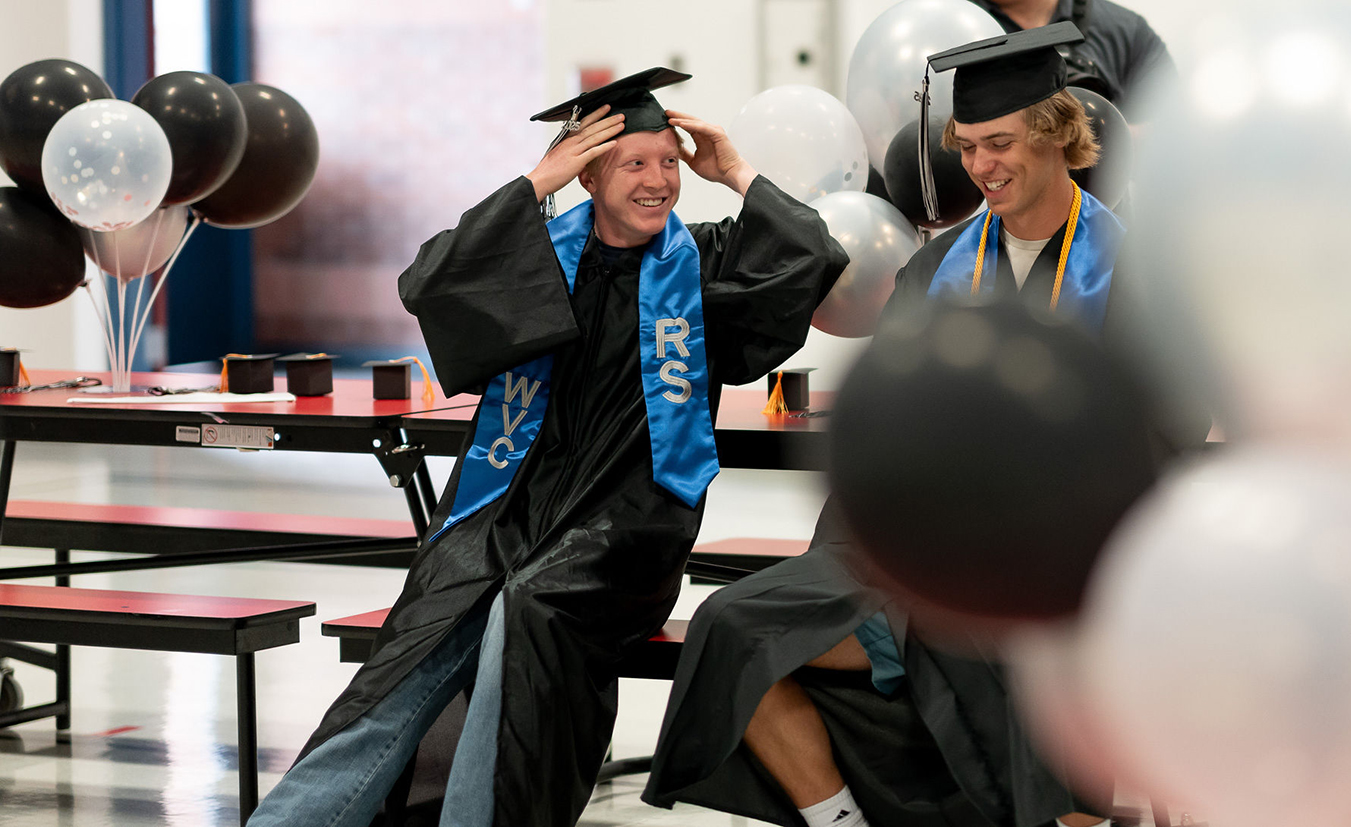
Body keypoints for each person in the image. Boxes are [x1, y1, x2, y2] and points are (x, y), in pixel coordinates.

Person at [245, 67, 847, 827]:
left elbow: (812, 255)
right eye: (634, 163)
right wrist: (536, 182)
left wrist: (732, 167)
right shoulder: (540, 256)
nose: (659, 180)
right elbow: (431, 278)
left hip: (627, 525)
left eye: (669, 162)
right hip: (503, 510)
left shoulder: (703, 264)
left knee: (527, 610)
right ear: (589, 172)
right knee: (412, 649)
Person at [645, 23, 1205, 827]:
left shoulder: (1135, 268)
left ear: (1056, 135)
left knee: (1005, 638)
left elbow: (1174, 427)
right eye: (969, 146)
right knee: (734, 625)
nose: (981, 166)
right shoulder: (936, 270)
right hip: (923, 543)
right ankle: (839, 814)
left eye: (1001, 142)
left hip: (1064, 552)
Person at [966, 0, 1175, 116]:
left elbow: (1171, 133)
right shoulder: (952, 27)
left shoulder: (1128, 31)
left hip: (1099, 194)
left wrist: (1097, 132)